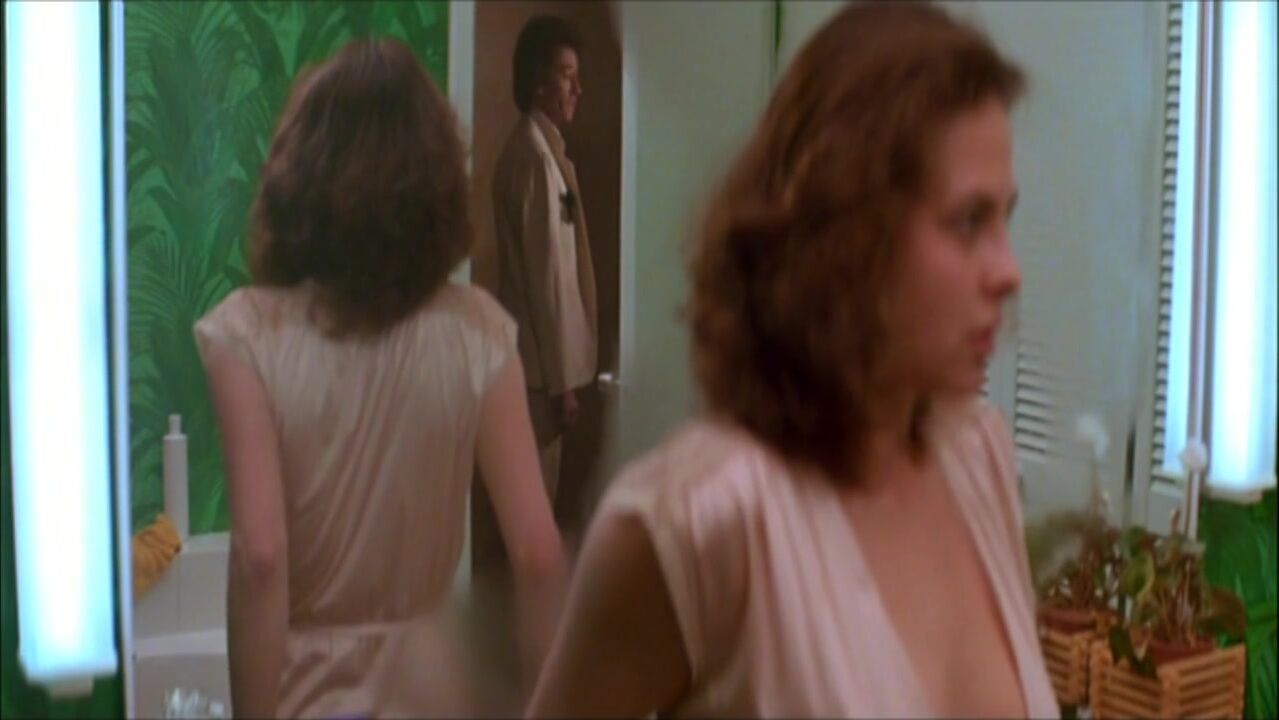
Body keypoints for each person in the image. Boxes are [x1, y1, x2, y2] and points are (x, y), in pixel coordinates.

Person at [528, 2, 1059, 717]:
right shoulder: (700, 519)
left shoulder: (978, 457)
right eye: (969, 221)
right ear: (851, 233)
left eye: (1005, 218)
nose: (1008, 271)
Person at [193, 38, 565, 719]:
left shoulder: (247, 333)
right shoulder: (480, 332)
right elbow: (539, 555)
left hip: (305, 695)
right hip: (430, 694)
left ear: (301, 177)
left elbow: (261, 558)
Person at [477, 15, 599, 573]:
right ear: (536, 83)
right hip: (538, 378)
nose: (577, 89)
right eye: (566, 75)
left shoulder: (546, 153)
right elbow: (545, 279)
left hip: (543, 373)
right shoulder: (531, 157)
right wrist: (561, 385)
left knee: (536, 525)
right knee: (533, 532)